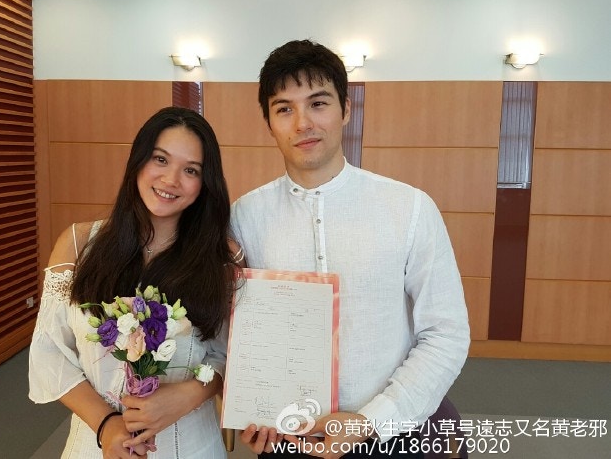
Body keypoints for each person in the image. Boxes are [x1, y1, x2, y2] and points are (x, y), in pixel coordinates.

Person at [230, 40, 471, 459]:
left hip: (396, 432)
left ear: (345, 109)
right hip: (291, 437)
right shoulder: (244, 217)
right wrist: (253, 409)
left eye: (318, 103)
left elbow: (445, 333)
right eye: (284, 109)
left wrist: (372, 420)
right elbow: (233, 332)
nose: (303, 123)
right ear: (268, 123)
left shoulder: (408, 207)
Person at [29, 107, 243, 458]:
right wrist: (106, 424)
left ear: (205, 183)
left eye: (191, 170)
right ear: (138, 161)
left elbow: (230, 354)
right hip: (95, 445)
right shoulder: (78, 244)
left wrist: (187, 395)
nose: (171, 179)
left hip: (192, 445)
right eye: (161, 159)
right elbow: (49, 352)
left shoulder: (222, 259)